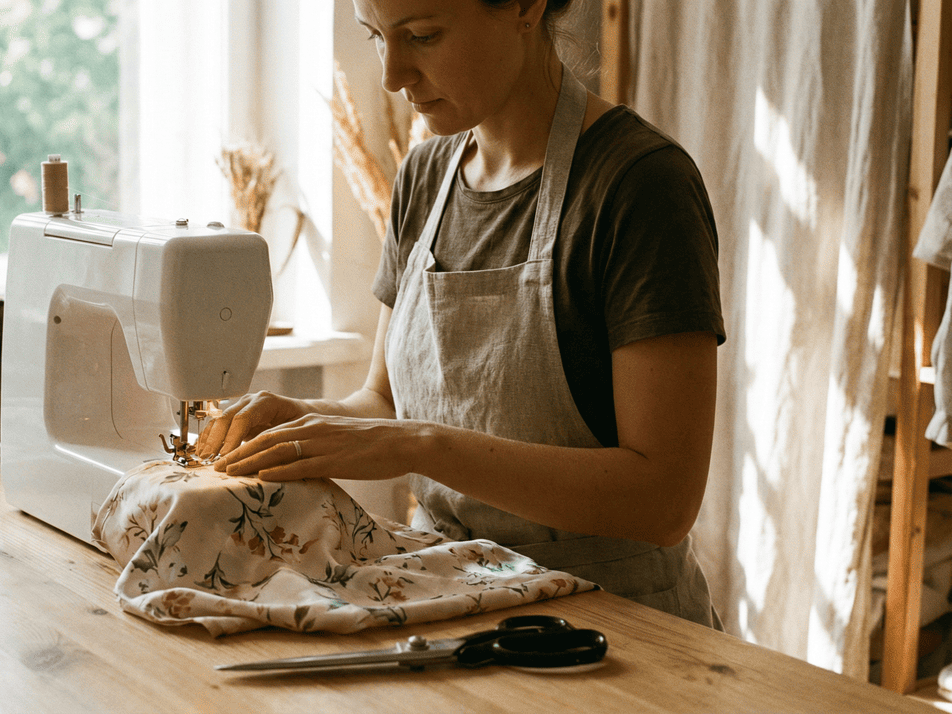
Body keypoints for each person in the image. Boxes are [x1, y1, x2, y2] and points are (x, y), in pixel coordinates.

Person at [197, 0, 725, 628]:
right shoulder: (423, 177)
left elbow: (663, 500)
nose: (393, 74)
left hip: (613, 629)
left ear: (526, 7)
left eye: (422, 35)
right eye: (376, 37)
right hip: (447, 600)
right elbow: (384, 404)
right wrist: (300, 420)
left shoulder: (639, 186)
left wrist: (419, 445)